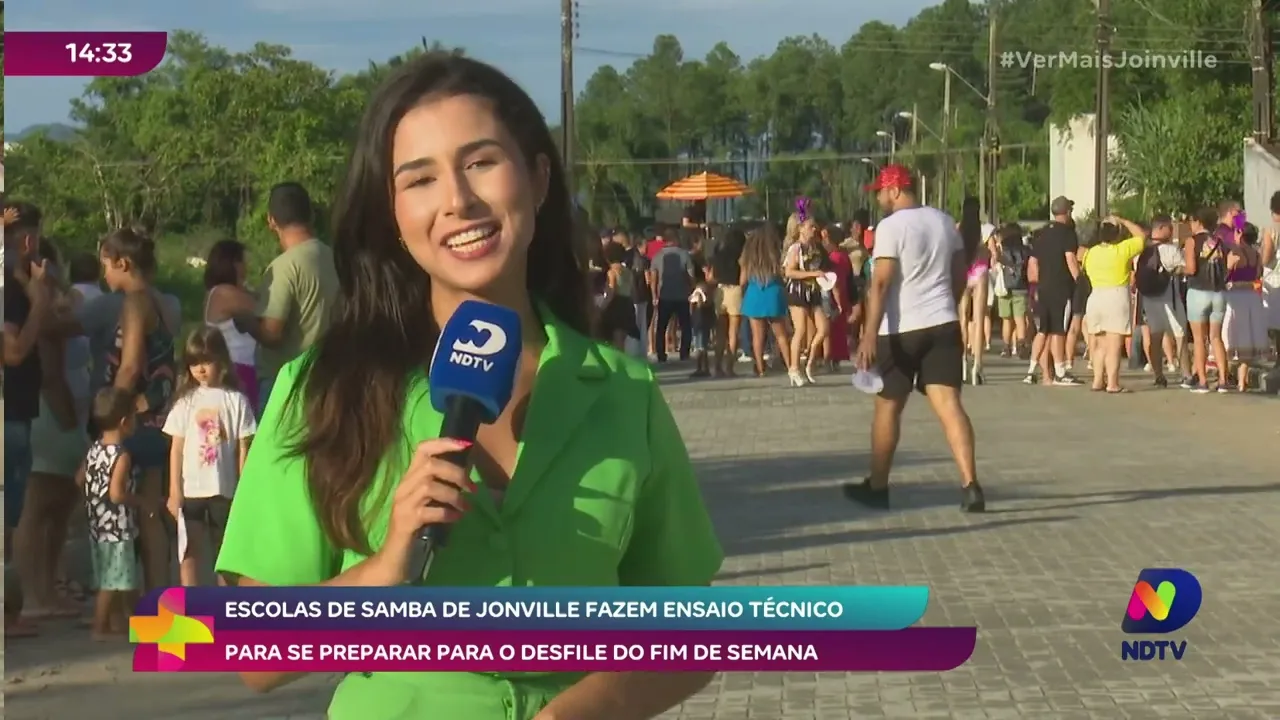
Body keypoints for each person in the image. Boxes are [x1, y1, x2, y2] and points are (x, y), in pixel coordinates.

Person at [214, 53, 721, 718]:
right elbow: (254, 656)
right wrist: (386, 568)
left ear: (538, 179)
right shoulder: (320, 391)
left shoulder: (624, 390)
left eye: (481, 162)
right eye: (420, 179)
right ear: (393, 214)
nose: (458, 200)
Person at [847, 164, 983, 512]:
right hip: (943, 324)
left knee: (888, 407)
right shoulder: (943, 221)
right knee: (950, 405)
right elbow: (960, 275)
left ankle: (878, 487)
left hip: (900, 330)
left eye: (880, 191)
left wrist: (868, 335)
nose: (878, 198)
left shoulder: (891, 227)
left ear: (894, 190)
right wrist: (947, 307)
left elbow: (881, 282)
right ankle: (970, 485)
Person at [20, 239, 89, 619]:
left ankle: (49, 589)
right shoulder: (35, 308)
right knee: (38, 504)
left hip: (63, 406)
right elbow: (49, 369)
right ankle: (33, 594)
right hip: (47, 407)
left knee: (61, 505)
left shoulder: (53, 301)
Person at [233, 182, 339, 414]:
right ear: (311, 215)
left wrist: (246, 321)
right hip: (329, 379)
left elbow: (272, 334)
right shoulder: (335, 259)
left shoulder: (284, 267)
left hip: (286, 385)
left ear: (271, 220)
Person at [163, 328, 257, 587]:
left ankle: (224, 604)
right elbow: (176, 448)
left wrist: (244, 489)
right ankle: (190, 601)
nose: (201, 369)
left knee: (224, 554)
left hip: (224, 489)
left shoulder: (236, 400)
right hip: (191, 489)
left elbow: (243, 447)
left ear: (221, 360)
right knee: (188, 550)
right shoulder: (185, 402)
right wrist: (174, 490)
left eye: (206, 361)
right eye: (194, 363)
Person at [4, 201, 52, 638]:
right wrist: (39, 300)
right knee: (9, 518)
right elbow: (14, 351)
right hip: (10, 413)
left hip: (19, 410)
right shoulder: (9, 291)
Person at [76, 387, 143, 641]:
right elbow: (117, 494)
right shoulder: (121, 455)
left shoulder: (95, 449)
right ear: (125, 422)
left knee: (109, 575)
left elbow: (79, 478)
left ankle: (116, 622)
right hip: (117, 527)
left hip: (98, 524)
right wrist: (140, 501)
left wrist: (93, 497)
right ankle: (99, 627)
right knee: (113, 580)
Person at [1081, 215, 1146, 392]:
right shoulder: (1122, 249)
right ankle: (1112, 383)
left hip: (1095, 296)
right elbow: (1141, 236)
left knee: (1099, 343)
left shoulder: (1090, 253)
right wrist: (1123, 221)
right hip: (1116, 297)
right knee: (1114, 345)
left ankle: (1097, 380)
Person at [1026, 197, 1084, 385]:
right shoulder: (1067, 233)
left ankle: (1038, 372)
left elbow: (1033, 262)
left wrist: (1036, 283)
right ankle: (1060, 371)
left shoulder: (1042, 233)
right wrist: (1080, 281)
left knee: (1044, 329)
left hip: (1043, 287)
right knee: (1059, 329)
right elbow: (1070, 259)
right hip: (1061, 287)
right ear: (1067, 212)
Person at [202, 240, 260, 411]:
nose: (246, 266)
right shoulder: (224, 293)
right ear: (233, 264)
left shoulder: (218, 292)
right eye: (242, 261)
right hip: (238, 369)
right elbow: (267, 310)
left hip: (239, 367)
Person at [1134, 214, 1189, 388]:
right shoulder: (1171, 250)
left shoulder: (1141, 251)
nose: (1171, 231)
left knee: (1155, 337)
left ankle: (1159, 376)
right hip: (1169, 298)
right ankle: (1186, 374)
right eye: (1169, 228)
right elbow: (1186, 269)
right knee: (1180, 335)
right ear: (1160, 228)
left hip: (1149, 299)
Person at [1184, 207, 1233, 393]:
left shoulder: (1192, 241)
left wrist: (1179, 269)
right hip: (1218, 293)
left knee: (1199, 339)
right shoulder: (1220, 242)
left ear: (1198, 222)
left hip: (1198, 292)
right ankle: (1223, 380)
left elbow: (1191, 268)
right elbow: (1226, 267)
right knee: (1216, 337)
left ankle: (1203, 381)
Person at [782, 211, 830, 385]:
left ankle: (809, 362)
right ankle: (794, 368)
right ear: (801, 228)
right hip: (798, 292)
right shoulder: (795, 248)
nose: (814, 229)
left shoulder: (814, 247)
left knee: (823, 328)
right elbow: (789, 272)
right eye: (810, 226)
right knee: (800, 330)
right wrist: (813, 274)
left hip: (813, 291)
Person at [739, 224, 791, 377]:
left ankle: (761, 368)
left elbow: (742, 281)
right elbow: (783, 275)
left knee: (758, 336)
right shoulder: (775, 254)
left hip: (754, 294)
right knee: (781, 334)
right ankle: (791, 366)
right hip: (773, 293)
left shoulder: (748, 257)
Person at [1222, 222, 1267, 391]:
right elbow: (1258, 274)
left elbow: (1225, 275)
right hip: (1251, 297)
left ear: (1240, 234)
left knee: (1230, 337)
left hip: (1235, 296)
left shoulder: (1234, 253)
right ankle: (1241, 382)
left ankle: (1226, 377)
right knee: (1247, 340)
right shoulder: (1256, 254)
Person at [650, 232, 696, 362]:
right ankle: (684, 352)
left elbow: (654, 279)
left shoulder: (657, 256)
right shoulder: (684, 254)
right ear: (676, 239)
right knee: (685, 325)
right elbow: (691, 276)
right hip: (681, 295)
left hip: (665, 295)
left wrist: (654, 295)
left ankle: (661, 353)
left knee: (661, 326)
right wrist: (691, 290)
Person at [710, 224, 746, 376]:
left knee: (720, 332)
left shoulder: (718, 254)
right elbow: (743, 277)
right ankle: (729, 367)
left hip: (720, 291)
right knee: (733, 332)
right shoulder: (741, 255)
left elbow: (712, 276)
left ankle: (717, 366)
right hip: (735, 290)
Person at [992, 224, 1031, 358]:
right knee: (1020, 318)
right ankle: (1021, 345)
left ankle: (1006, 347)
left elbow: (995, 263)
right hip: (1021, 286)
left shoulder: (1003, 250)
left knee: (1006, 319)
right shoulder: (1025, 250)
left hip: (1005, 287)